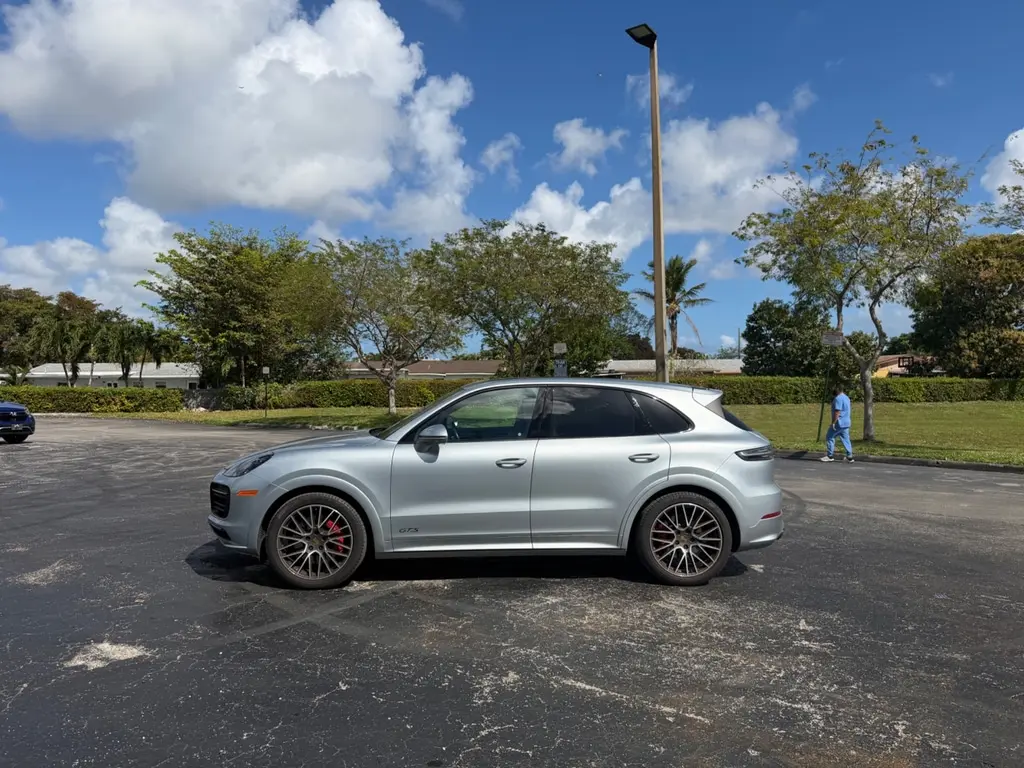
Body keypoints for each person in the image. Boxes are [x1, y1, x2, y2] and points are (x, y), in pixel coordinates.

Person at [821, 384, 854, 463]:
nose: (833, 390)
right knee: (846, 439)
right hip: (846, 422)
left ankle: (830, 456)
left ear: (838, 390)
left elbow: (837, 411)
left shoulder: (838, 398)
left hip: (839, 422)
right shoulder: (846, 397)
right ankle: (849, 457)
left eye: (834, 389)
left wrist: (833, 423)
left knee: (830, 436)